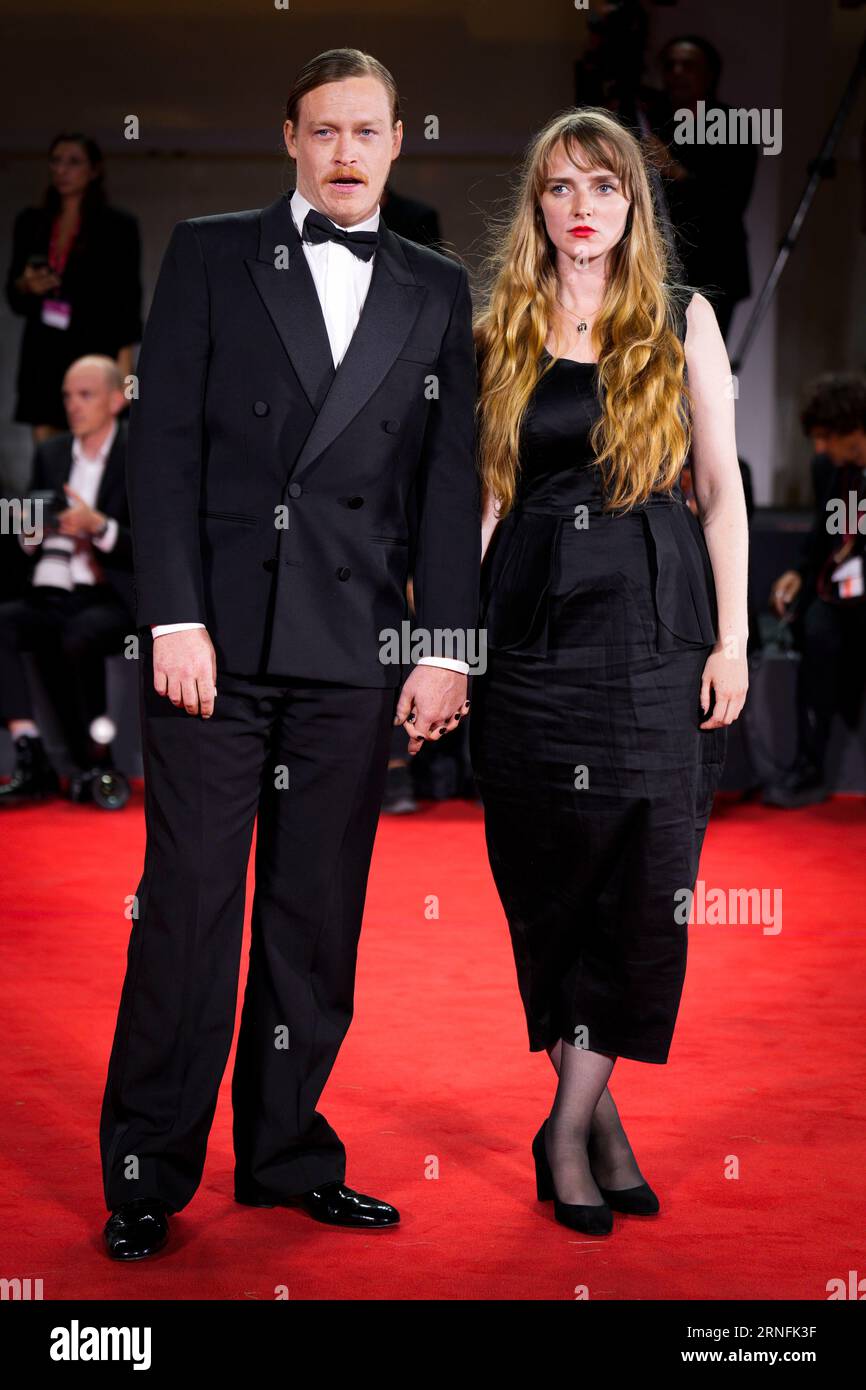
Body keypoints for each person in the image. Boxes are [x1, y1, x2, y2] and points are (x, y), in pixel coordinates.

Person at [99, 47, 479, 1260]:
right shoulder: (211, 251)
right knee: (187, 912)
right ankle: (147, 1171)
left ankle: (285, 1154)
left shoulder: (435, 284)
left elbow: (447, 479)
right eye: (323, 132)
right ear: (289, 139)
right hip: (212, 648)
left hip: (356, 649)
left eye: (366, 131)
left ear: (398, 138)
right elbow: (159, 453)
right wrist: (171, 618)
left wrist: (446, 647)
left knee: (314, 919)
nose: (345, 152)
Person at [469, 108, 749, 1236]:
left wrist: (730, 639)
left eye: (602, 185)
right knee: (549, 876)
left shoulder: (682, 319)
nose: (580, 205)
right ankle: (593, 1120)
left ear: (632, 204)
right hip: (531, 632)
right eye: (558, 186)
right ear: (535, 206)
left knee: (643, 879)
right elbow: (483, 500)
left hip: (653, 624)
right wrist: (446, 645)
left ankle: (566, 1121)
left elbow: (721, 490)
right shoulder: (495, 324)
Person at [0, 356, 134, 804]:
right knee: (7, 621)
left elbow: (162, 541)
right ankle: (29, 748)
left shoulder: (140, 454)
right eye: (66, 396)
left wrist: (98, 525)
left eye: (85, 395)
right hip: (54, 588)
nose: (73, 406)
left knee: (79, 633)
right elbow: (26, 524)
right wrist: (27, 531)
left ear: (117, 400)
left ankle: (96, 759)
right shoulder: (51, 453)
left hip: (113, 592)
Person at [764, 372, 866, 808]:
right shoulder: (833, 468)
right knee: (816, 629)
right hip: (839, 593)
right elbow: (833, 532)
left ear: (855, 428)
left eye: (826, 437)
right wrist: (800, 573)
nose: (819, 448)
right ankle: (810, 767)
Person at [5, 133, 142, 442]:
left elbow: (126, 300)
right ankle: (52, 493)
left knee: (92, 441)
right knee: (46, 444)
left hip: (94, 345)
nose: (62, 170)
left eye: (73, 162)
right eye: (55, 161)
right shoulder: (32, 221)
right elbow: (13, 295)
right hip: (44, 346)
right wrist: (27, 286)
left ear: (94, 170)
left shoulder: (117, 226)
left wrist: (125, 371)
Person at [643, 36, 757, 343]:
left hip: (715, 266)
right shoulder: (651, 121)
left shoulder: (736, 125)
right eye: (670, 65)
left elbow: (732, 201)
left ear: (709, 74)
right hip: (658, 264)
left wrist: (675, 171)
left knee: (705, 365)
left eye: (688, 65)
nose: (678, 73)